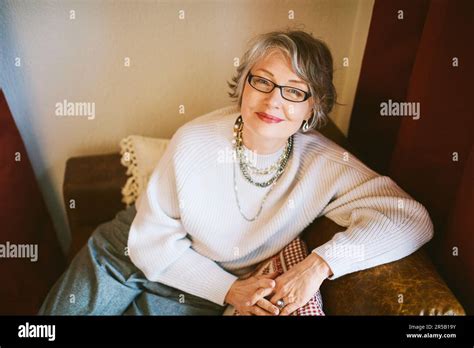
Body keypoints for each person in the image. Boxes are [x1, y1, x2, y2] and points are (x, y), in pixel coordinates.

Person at [39, 30, 433, 316]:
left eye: (294, 90)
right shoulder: (194, 140)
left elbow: (410, 218)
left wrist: (320, 265)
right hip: (128, 252)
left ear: (313, 107)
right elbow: (150, 243)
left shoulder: (326, 165)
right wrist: (229, 289)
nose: (273, 100)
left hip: (200, 287)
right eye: (262, 81)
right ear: (243, 85)